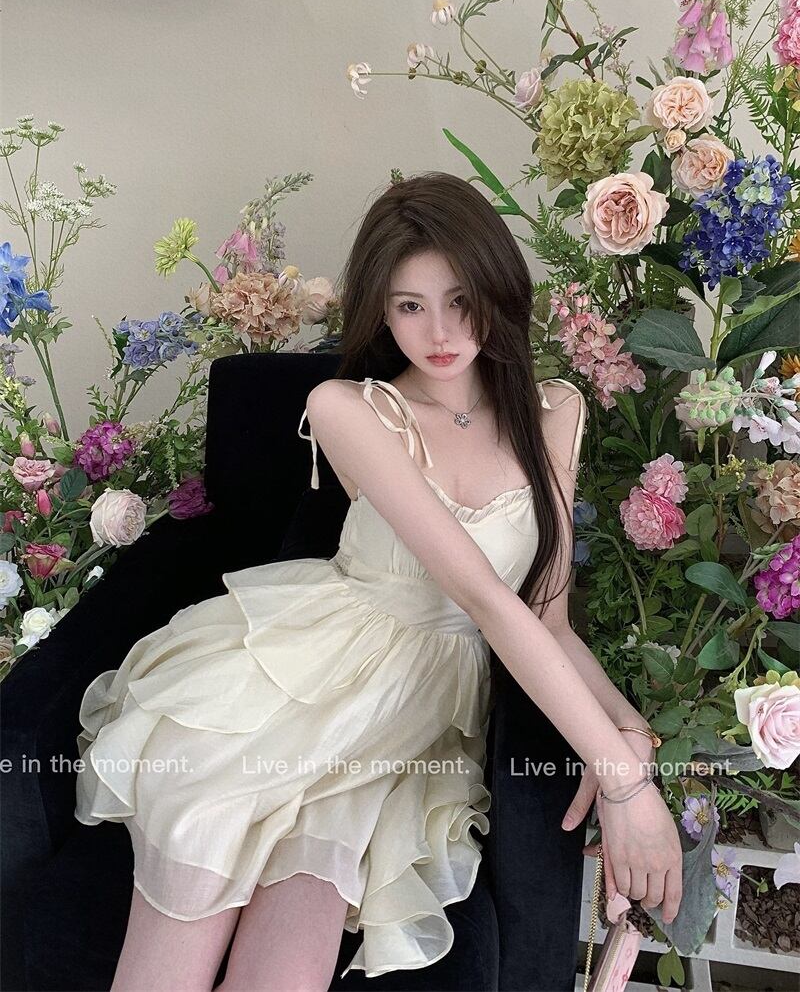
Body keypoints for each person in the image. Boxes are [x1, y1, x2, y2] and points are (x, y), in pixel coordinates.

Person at [74, 171, 682, 992]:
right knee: (193, 876)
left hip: (413, 722)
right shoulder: (350, 408)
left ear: (498, 287)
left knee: (284, 975)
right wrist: (621, 778)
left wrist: (630, 735)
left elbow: (548, 620)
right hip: (303, 681)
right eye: (409, 306)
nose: (440, 331)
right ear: (382, 313)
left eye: (460, 299)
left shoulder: (555, 414)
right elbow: (485, 599)